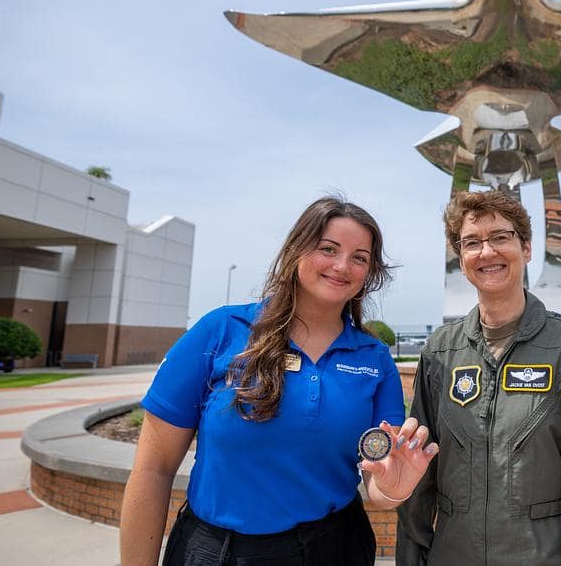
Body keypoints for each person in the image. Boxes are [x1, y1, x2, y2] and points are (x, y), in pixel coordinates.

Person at [120, 197, 437, 566]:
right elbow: (152, 470)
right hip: (219, 551)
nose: (341, 265)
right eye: (328, 249)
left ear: (369, 274)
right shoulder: (220, 332)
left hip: (334, 548)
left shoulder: (375, 359)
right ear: (296, 250)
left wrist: (395, 488)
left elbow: (380, 481)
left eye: (359, 257)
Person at [396, 190, 561, 565]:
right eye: (472, 242)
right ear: (461, 258)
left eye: (500, 237)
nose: (487, 252)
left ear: (528, 248)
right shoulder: (439, 353)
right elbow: (417, 479)